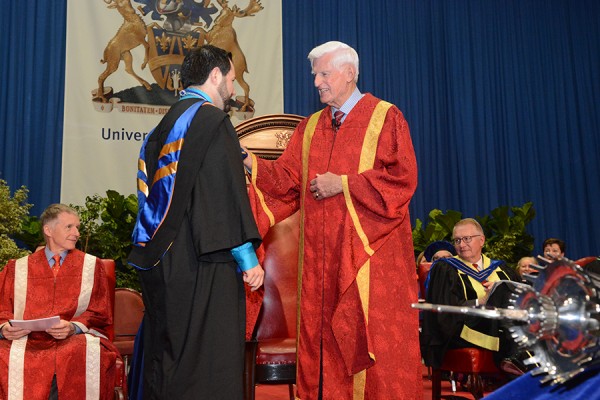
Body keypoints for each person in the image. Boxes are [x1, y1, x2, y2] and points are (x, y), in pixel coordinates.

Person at [243, 41, 420, 399]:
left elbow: (402, 180)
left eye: (325, 73)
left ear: (350, 73)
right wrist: (249, 161)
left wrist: (343, 184)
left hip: (369, 265)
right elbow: (287, 185)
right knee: (322, 349)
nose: (317, 83)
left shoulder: (385, 118)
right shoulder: (309, 129)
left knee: (373, 351)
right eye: (315, 75)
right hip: (320, 270)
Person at [128, 45, 264, 399]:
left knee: (169, 358)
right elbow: (222, 195)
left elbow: (147, 191)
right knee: (205, 363)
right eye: (232, 80)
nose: (233, 90)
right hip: (202, 261)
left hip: (162, 258)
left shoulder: (165, 124)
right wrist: (248, 258)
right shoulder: (211, 122)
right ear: (215, 76)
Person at [0, 204, 119, 399]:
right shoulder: (18, 268)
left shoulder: (91, 266)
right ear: (48, 230)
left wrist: (74, 327)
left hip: (72, 338)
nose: (77, 233)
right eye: (69, 227)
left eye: (77, 227)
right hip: (28, 339)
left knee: (81, 350)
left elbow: (99, 311)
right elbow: (3, 307)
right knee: (4, 353)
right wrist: (4, 328)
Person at [420, 218, 526, 372]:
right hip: (462, 329)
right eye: (457, 240)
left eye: (467, 239)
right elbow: (446, 311)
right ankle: (517, 362)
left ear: (481, 240)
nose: (462, 245)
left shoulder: (501, 268)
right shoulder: (446, 269)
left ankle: (519, 364)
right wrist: (482, 301)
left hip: (502, 326)